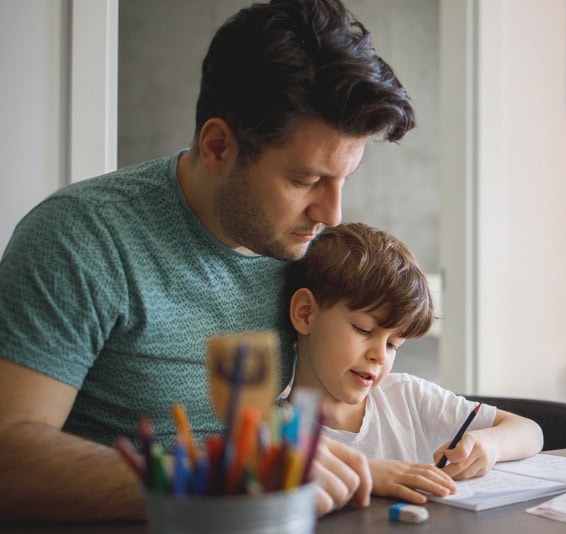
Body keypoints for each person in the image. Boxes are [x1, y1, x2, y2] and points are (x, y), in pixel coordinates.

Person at [0, 0, 414, 522]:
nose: (331, 213)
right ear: (217, 146)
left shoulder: (302, 254)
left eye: (343, 180)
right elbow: (9, 457)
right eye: (305, 180)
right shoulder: (81, 238)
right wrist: (219, 479)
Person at [284, 222, 544, 504]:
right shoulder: (272, 427)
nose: (380, 356)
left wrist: (490, 445)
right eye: (363, 329)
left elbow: (530, 431)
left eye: (393, 344)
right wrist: (370, 474)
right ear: (306, 313)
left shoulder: (408, 398)